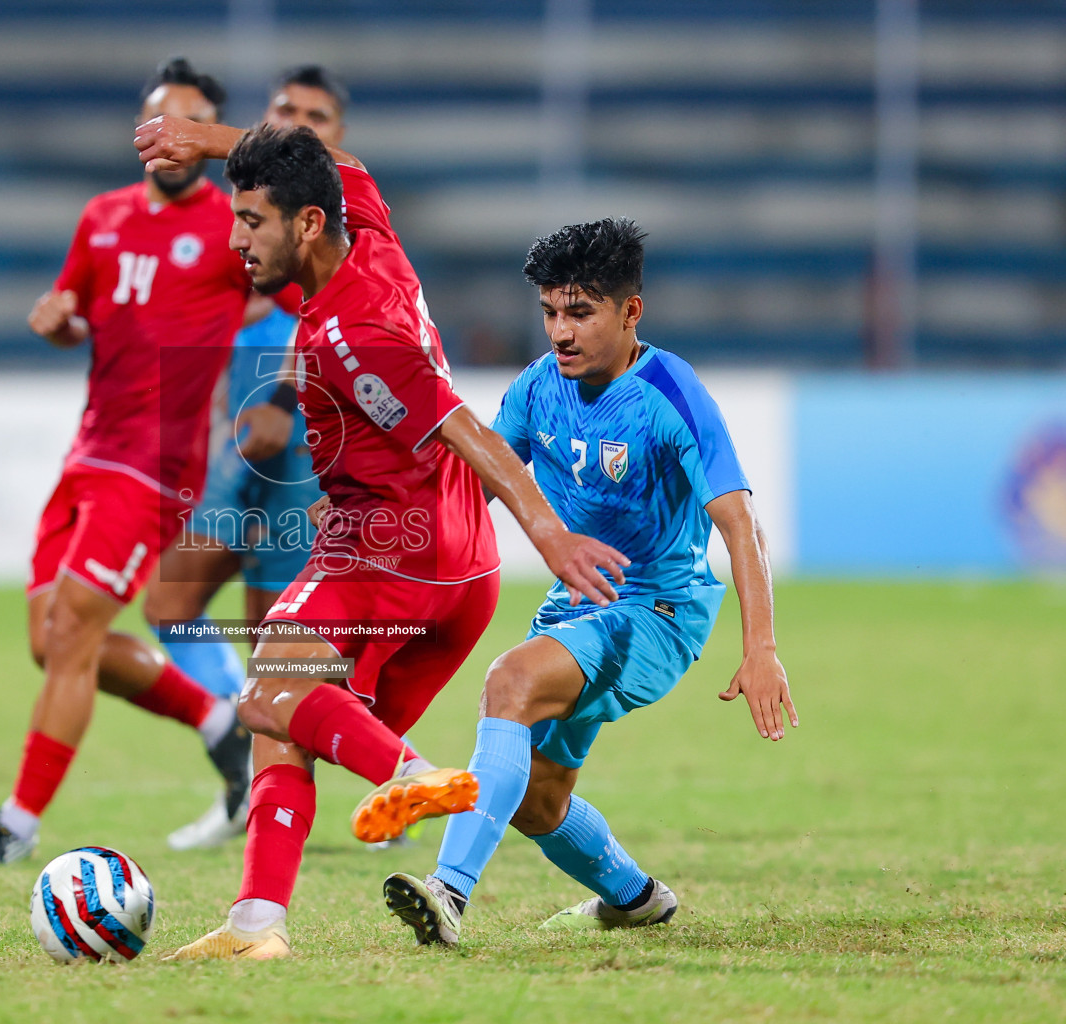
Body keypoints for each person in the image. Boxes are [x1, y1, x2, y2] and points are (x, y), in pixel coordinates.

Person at [132, 117, 628, 960]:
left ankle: (406, 772)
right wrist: (205, 138)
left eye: (253, 220)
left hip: (395, 555)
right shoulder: (367, 233)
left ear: (308, 225)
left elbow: (463, 428)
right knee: (286, 724)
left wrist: (552, 536)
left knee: (267, 686)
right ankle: (257, 926)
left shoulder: (353, 335)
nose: (236, 238)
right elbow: (344, 161)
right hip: (456, 572)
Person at [380, 219, 798, 946]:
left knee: (508, 682)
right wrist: (380, 524)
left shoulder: (671, 393)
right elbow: (475, 490)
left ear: (631, 311)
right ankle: (636, 899)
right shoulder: (539, 387)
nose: (560, 332)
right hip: (578, 604)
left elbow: (742, 525)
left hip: (658, 612)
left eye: (580, 312)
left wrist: (760, 647)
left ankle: (447, 894)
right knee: (535, 800)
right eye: (549, 312)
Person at [0, 58, 263, 867]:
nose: (170, 138)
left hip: (157, 466)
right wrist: (58, 323)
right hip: (90, 452)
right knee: (52, 642)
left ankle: (15, 827)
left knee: (75, 626)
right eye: (158, 122)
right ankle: (221, 725)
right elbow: (77, 312)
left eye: (190, 124)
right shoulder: (103, 218)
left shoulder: (233, 227)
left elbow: (308, 277)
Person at [142, 64, 352, 852]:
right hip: (247, 440)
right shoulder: (248, 214)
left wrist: (286, 406)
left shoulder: (338, 225)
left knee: (282, 644)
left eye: (316, 115)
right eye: (284, 110)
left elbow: (339, 330)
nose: (298, 122)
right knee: (171, 603)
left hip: (301, 447)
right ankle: (240, 752)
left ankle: (318, 791)